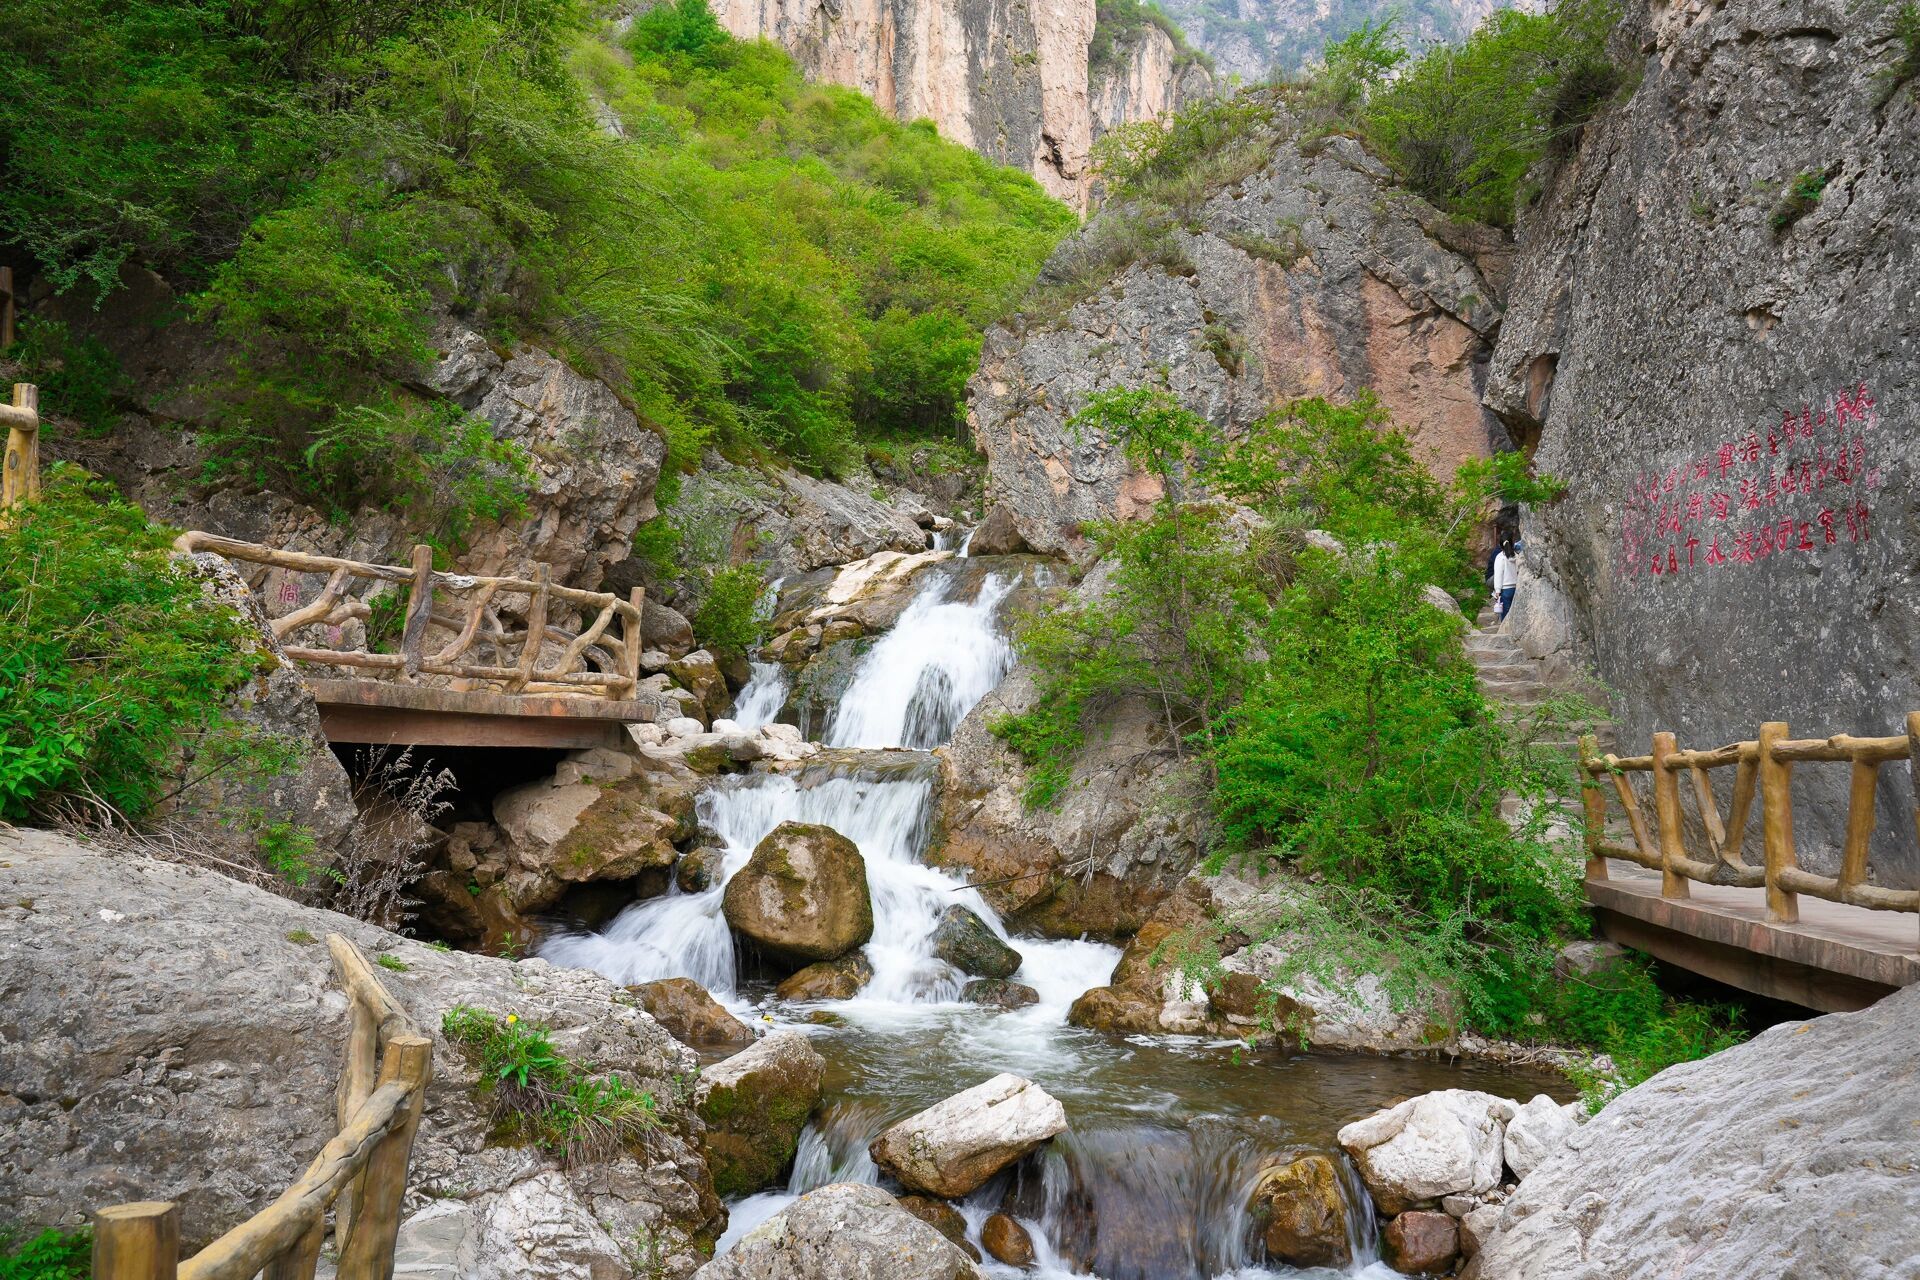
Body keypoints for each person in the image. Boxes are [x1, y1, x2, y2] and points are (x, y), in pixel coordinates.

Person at [1491, 538, 1520, 620]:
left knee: (1506, 617)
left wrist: (1497, 590)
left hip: (1505, 590)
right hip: (1516, 588)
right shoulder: (1516, 556)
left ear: (1500, 545)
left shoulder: (1500, 557)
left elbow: (1498, 575)